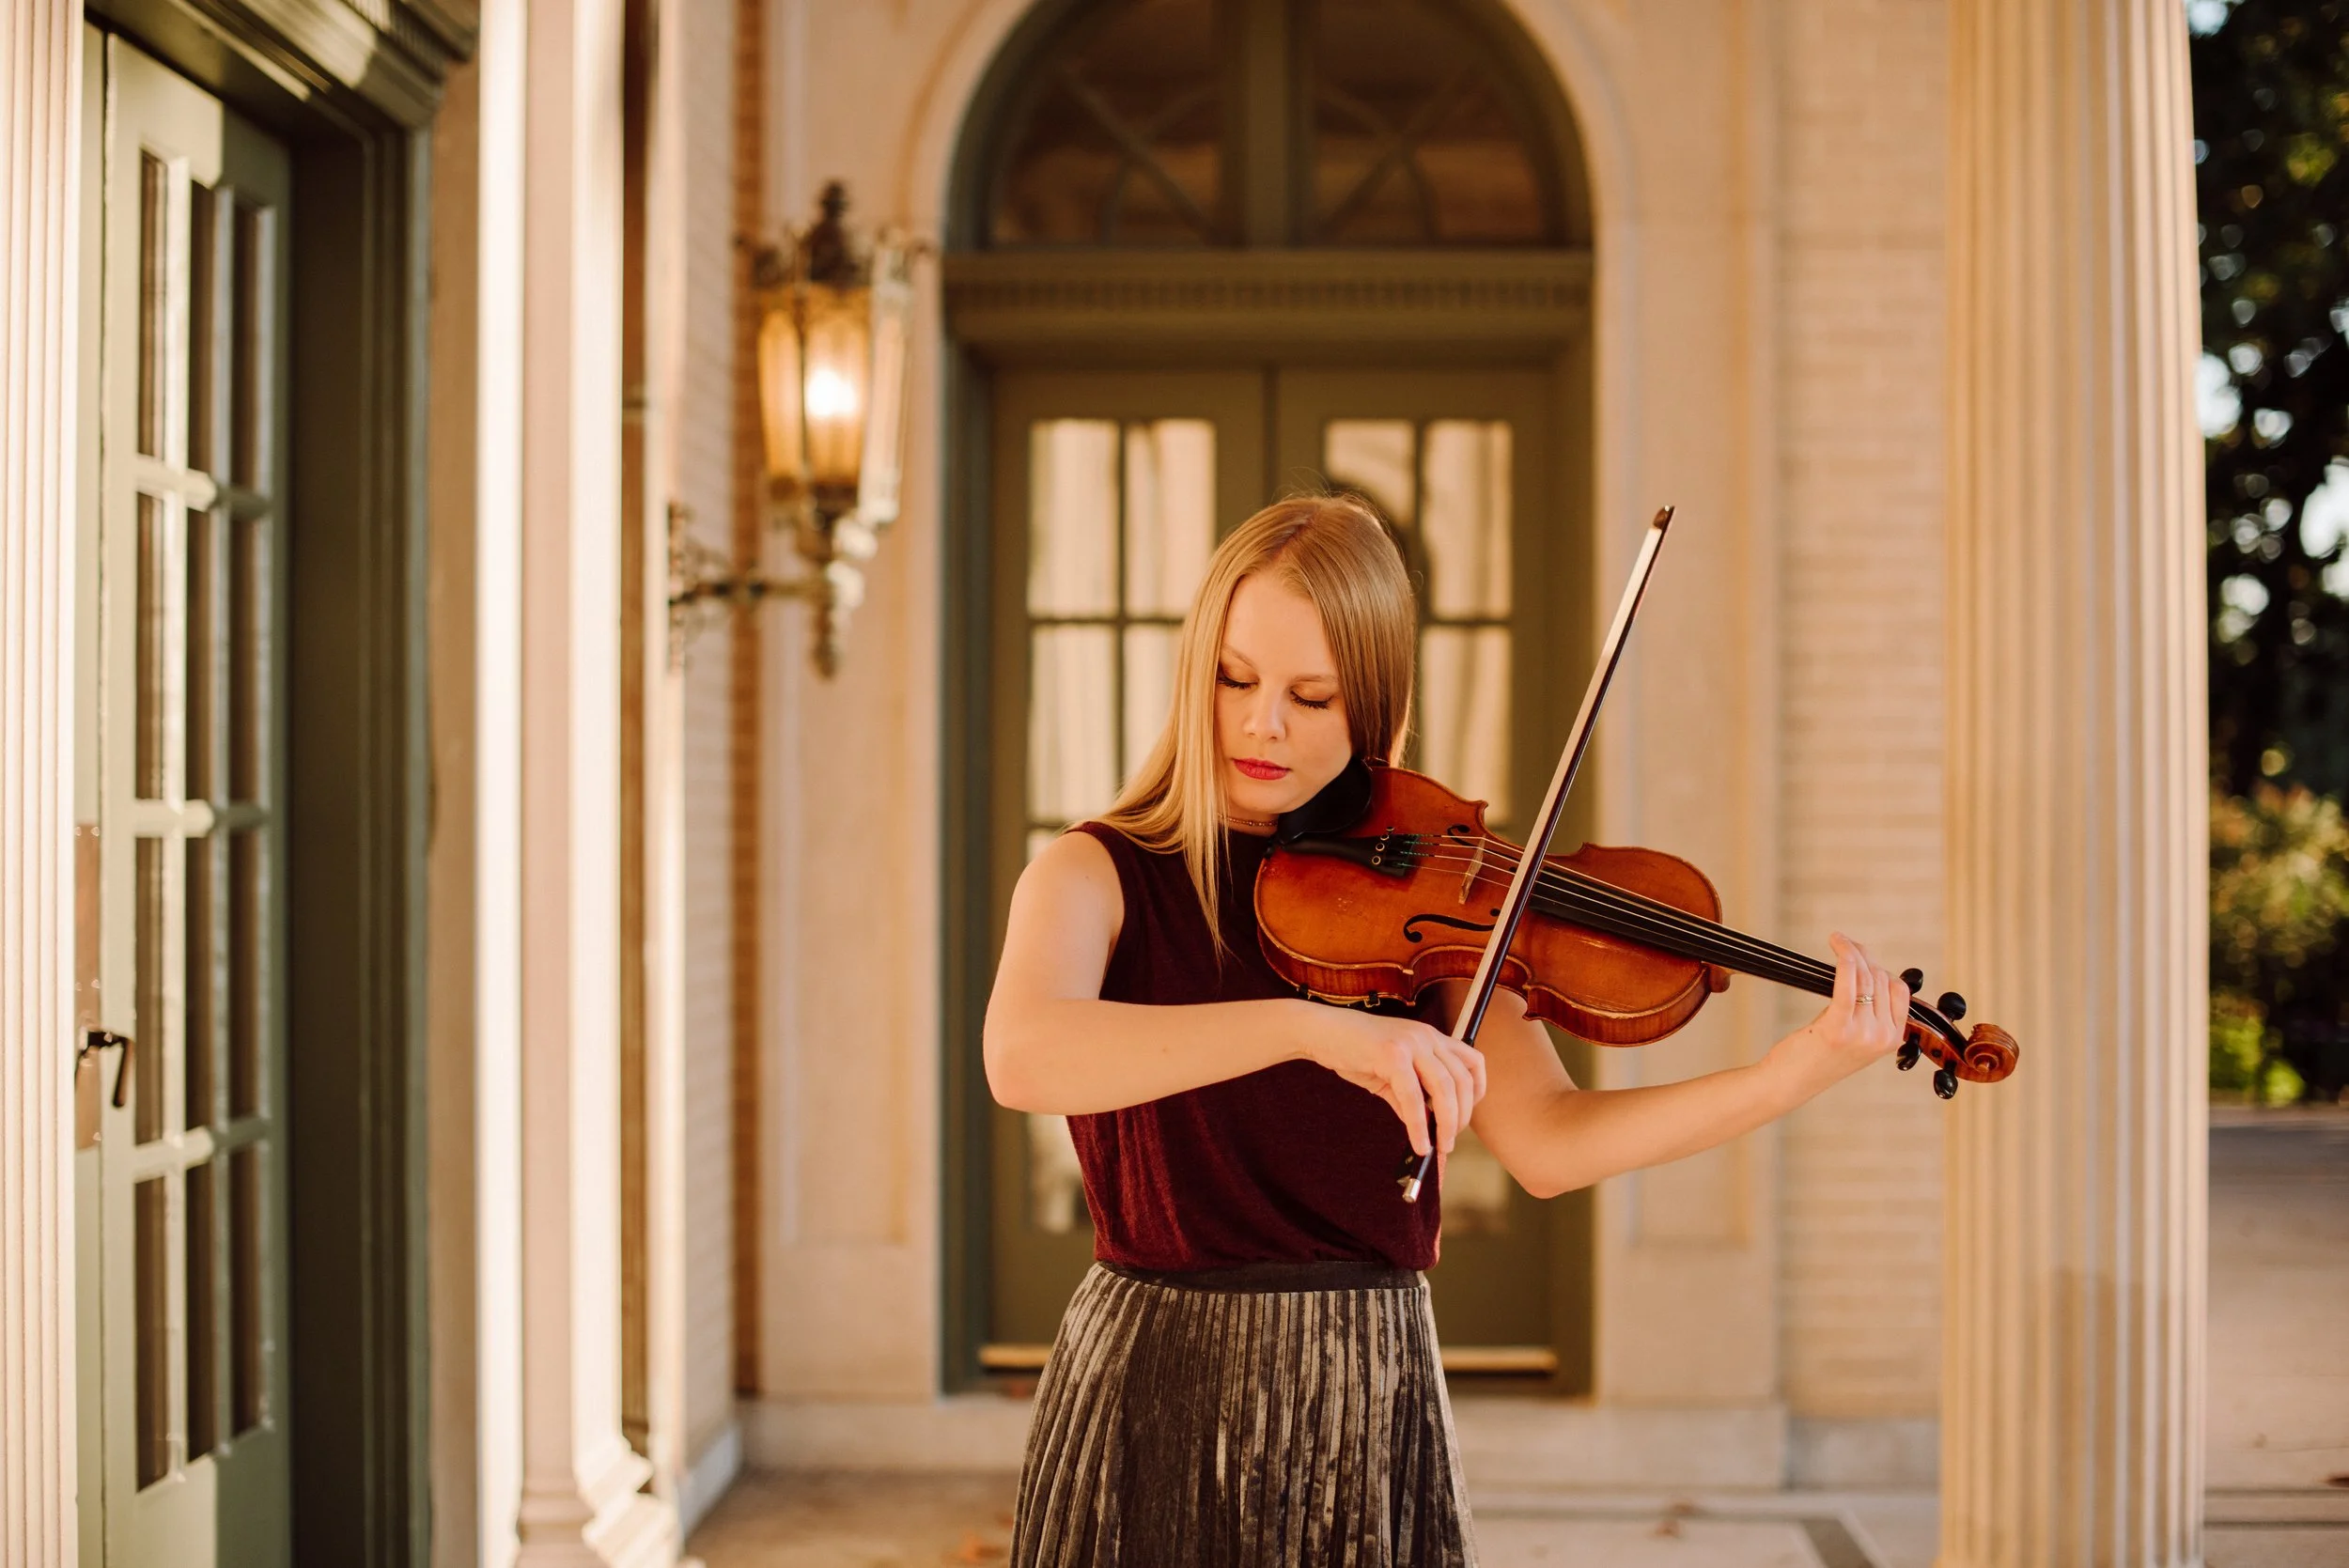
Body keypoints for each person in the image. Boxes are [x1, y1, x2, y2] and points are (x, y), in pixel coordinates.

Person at [985, 494, 1910, 1567]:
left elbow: (1550, 1142)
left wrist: (1788, 1074)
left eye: (1312, 696)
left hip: (1359, 1385)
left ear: (1371, 705)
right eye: (1234, 679)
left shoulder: (1433, 889)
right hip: (1152, 1377)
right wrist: (1311, 1029)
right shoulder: (1092, 872)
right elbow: (1024, 1057)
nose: (1263, 723)